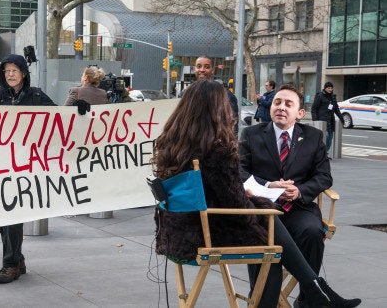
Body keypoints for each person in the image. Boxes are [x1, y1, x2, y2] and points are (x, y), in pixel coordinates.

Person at [153, 80, 361, 308]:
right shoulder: (219, 148)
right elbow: (235, 201)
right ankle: (311, 291)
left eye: (287, 103)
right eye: (225, 104)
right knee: (267, 230)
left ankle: (311, 292)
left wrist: (282, 194)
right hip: (210, 229)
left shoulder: (169, 144)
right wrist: (261, 197)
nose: (229, 110)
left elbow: (322, 177)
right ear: (215, 110)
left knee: (281, 227)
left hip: (181, 229)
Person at [239, 83, 361, 307]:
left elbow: (324, 177)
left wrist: (299, 191)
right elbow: (239, 172)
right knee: (267, 246)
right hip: (262, 209)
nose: (281, 107)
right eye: (277, 102)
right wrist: (268, 185)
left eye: (288, 104)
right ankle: (303, 295)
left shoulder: (313, 136)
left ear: (300, 113)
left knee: (313, 231)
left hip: (298, 207)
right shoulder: (251, 134)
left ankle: (307, 301)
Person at [0, 54, 56, 284]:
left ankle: (10, 265)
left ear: (24, 72)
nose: (10, 74)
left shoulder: (36, 96)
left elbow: (59, 118)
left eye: (15, 70)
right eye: (6, 71)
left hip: (25, 166)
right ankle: (19, 258)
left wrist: (78, 111)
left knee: (12, 214)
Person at [311, 81, 344, 155]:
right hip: (322, 121)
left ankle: (324, 153)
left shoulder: (333, 97)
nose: (330, 89)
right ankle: (321, 154)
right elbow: (314, 109)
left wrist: (341, 119)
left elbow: (336, 109)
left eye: (331, 88)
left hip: (330, 121)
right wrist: (315, 120)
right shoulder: (320, 96)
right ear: (325, 88)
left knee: (329, 138)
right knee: (324, 138)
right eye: (328, 88)